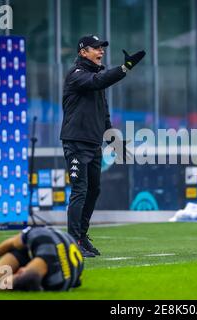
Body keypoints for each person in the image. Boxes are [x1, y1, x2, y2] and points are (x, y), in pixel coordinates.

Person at [60, 34, 145, 258]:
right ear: (82, 52)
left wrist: (114, 143)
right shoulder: (76, 75)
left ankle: (81, 237)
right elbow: (99, 81)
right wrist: (125, 67)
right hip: (76, 142)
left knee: (94, 189)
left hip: (93, 143)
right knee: (80, 190)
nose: (101, 51)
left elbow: (104, 116)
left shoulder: (96, 78)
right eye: (96, 48)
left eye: (102, 48)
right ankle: (72, 242)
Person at [0, 226, 84, 291]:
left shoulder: (56, 284)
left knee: (4, 284)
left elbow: (76, 280)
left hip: (52, 258)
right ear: (21, 270)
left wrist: (11, 284)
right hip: (42, 247)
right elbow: (11, 243)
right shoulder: (39, 238)